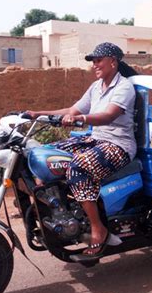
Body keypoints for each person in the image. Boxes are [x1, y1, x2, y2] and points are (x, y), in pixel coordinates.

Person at [26, 42, 138, 261]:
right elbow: (71, 110)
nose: (94, 65)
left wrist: (80, 119)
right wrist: (36, 114)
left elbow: (108, 116)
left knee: (78, 166)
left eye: (98, 60)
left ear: (113, 62)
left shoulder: (124, 87)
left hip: (119, 145)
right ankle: (56, 208)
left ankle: (99, 229)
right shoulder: (96, 87)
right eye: (92, 61)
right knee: (44, 154)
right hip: (95, 139)